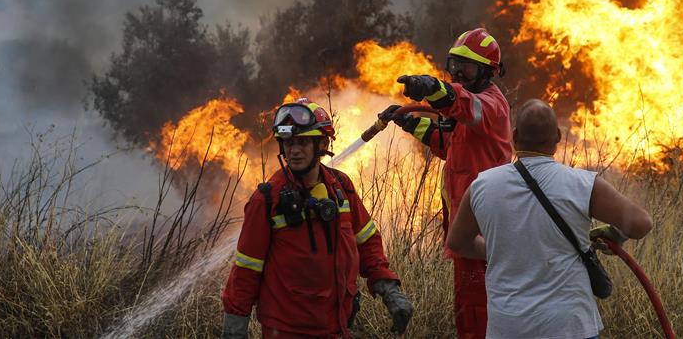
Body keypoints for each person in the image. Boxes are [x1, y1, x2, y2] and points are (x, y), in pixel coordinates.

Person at [446, 99, 653, 339]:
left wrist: (504, 249)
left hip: (509, 327)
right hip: (568, 327)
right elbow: (641, 224)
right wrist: (615, 234)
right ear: (557, 137)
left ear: (514, 136)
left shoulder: (482, 186)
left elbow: (458, 243)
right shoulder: (583, 185)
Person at [222, 98, 414, 338]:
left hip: (339, 326)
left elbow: (367, 243)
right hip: (287, 331)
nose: (293, 150)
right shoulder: (267, 200)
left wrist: (390, 290)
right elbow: (246, 272)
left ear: (322, 144)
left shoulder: (341, 187)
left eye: (302, 142)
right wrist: (234, 331)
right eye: (289, 143)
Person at [379, 28, 512, 339]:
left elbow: (460, 102)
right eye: (454, 65)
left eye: (465, 67)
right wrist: (410, 121)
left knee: (481, 311)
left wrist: (432, 87)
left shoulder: (491, 106)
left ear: (487, 71)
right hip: (465, 227)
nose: (458, 73)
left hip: (484, 229)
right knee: (467, 307)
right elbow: (450, 144)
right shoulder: (469, 112)